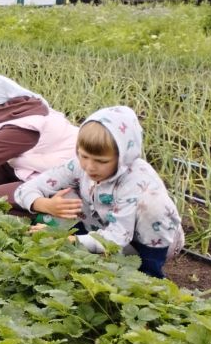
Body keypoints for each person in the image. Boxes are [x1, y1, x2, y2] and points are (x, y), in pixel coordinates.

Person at [13, 106, 184, 279]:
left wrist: (67, 240)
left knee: (152, 205)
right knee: (62, 194)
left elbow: (118, 238)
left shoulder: (136, 181)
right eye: (84, 156)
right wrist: (46, 205)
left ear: (123, 156)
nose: (89, 166)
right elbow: (25, 189)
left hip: (148, 241)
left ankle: (150, 276)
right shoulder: (78, 166)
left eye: (101, 161)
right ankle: (83, 254)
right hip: (104, 228)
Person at [0, 72, 78, 208]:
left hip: (67, 183)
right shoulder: (18, 116)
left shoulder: (19, 127)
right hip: (45, 171)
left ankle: (27, 215)